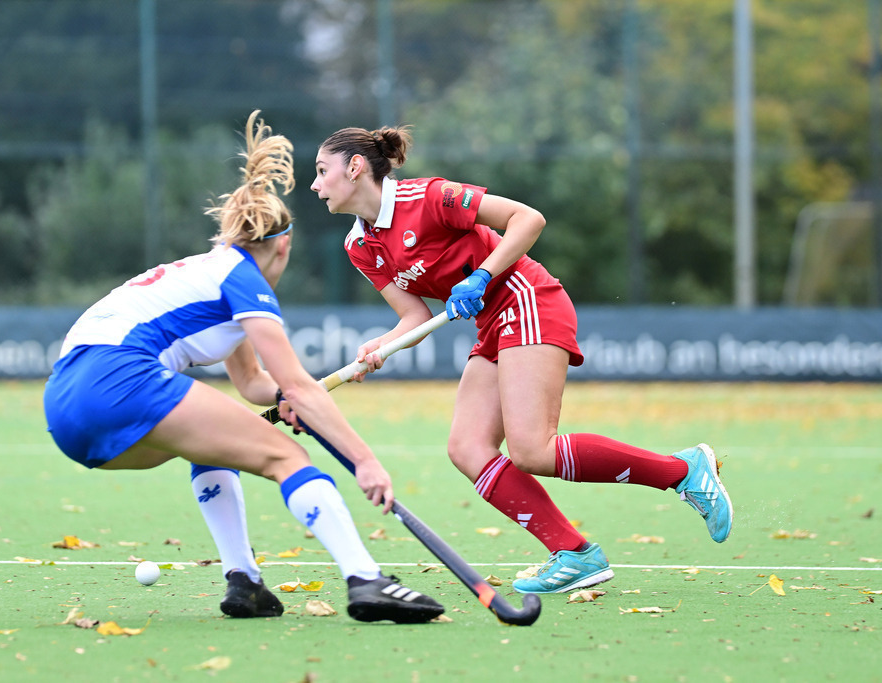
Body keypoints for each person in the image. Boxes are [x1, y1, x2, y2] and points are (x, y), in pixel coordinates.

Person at [43, 111, 444, 624]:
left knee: (212, 447)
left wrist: (280, 397)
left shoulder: (210, 271)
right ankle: (366, 579)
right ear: (283, 244)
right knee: (288, 457)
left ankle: (245, 583)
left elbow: (254, 382)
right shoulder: (243, 279)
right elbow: (300, 385)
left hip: (65, 406)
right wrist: (364, 460)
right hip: (117, 379)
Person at [308, 124, 733, 594]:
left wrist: (482, 275)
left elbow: (528, 219)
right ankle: (574, 554)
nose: (315, 184)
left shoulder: (428, 197)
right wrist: (381, 346)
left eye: (322, 171)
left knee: (532, 449)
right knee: (468, 448)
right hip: (491, 322)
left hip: (525, 298)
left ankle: (682, 472)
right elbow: (414, 317)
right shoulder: (359, 245)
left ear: (355, 167)